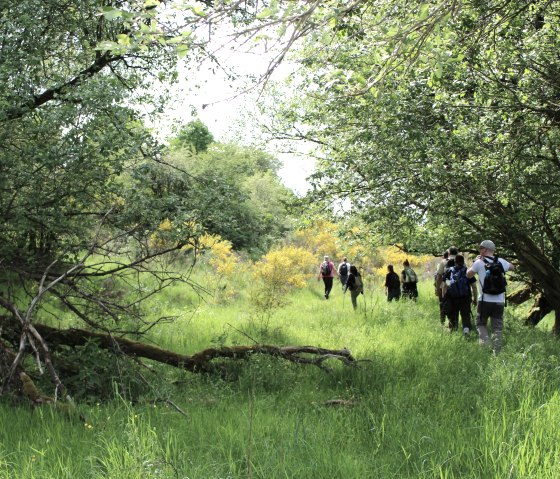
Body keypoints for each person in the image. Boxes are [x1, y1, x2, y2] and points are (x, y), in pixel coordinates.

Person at [467, 240, 515, 354]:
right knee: (497, 328)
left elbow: (468, 274)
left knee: (480, 323)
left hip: (484, 301)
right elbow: (513, 267)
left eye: (480, 248)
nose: (479, 250)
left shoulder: (479, 262)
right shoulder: (501, 261)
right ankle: (496, 353)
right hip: (499, 302)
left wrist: (475, 261)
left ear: (485, 249)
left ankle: (485, 344)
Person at [441, 254, 477, 335]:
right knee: (465, 317)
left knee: (453, 317)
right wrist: (475, 299)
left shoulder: (449, 271)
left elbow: (444, 286)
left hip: (452, 298)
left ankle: (453, 333)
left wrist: (444, 298)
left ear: (455, 262)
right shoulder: (467, 271)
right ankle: (466, 331)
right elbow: (474, 286)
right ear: (463, 262)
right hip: (465, 298)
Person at [436, 247, 458, 323]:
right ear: (457, 253)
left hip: (446, 288)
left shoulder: (443, 262)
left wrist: (438, 287)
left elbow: (439, 276)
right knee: (456, 307)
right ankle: (454, 323)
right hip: (458, 288)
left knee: (445, 304)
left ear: (449, 253)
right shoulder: (462, 261)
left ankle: (445, 321)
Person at [434, 251, 449, 324]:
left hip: (441, 287)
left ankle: (442, 321)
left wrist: (437, 289)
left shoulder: (441, 263)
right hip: (452, 287)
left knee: (442, 304)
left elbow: (437, 277)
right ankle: (451, 321)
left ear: (443, 256)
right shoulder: (455, 261)